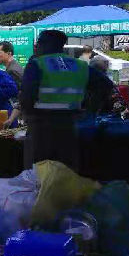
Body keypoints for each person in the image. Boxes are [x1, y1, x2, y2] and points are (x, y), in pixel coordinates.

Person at [19, 30, 105, 170]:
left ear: (44, 45)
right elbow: (105, 87)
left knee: (39, 172)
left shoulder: (37, 64)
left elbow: (27, 96)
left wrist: (28, 116)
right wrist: (90, 111)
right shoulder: (80, 66)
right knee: (68, 171)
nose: (36, 47)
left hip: (41, 128)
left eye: (38, 44)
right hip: (72, 127)